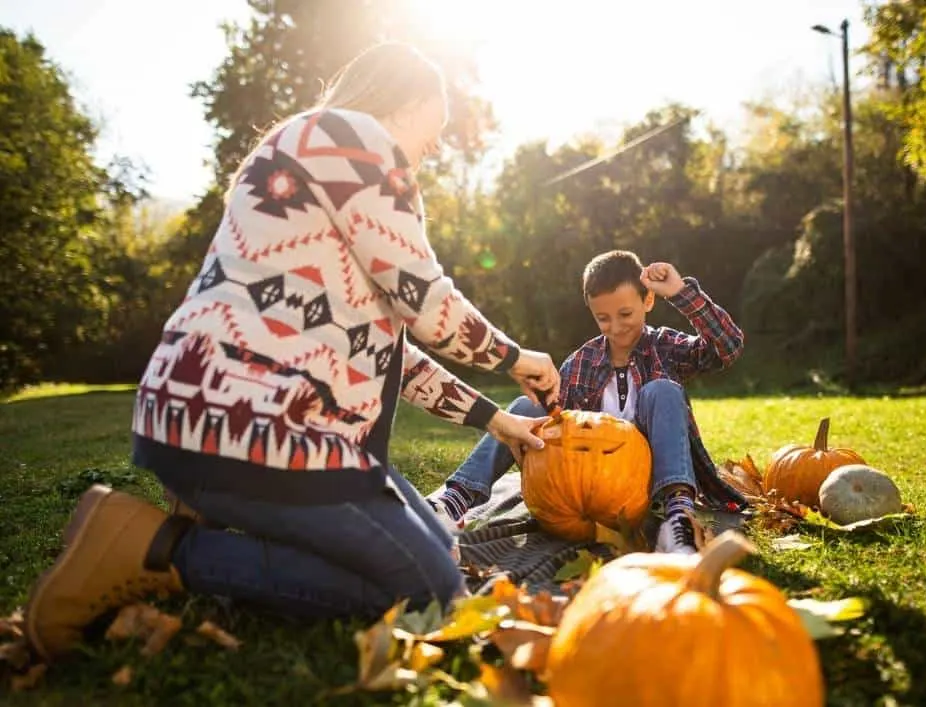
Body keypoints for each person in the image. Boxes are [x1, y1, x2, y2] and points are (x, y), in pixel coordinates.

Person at [23, 42, 561, 663]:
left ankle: (204, 519)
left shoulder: (306, 154)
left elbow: (395, 356)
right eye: (433, 131)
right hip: (261, 424)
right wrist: (516, 358)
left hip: (210, 411)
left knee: (438, 540)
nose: (433, 151)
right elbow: (426, 300)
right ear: (404, 102)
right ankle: (155, 549)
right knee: (432, 592)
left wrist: (497, 420)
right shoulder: (355, 141)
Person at [429, 250, 748, 554]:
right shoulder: (583, 360)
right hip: (590, 482)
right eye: (603, 318)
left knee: (662, 390)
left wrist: (680, 292)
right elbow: (557, 418)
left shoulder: (665, 346)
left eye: (625, 314)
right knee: (523, 409)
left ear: (648, 300)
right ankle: (457, 497)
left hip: (649, 478)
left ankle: (678, 516)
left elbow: (727, 347)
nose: (616, 326)